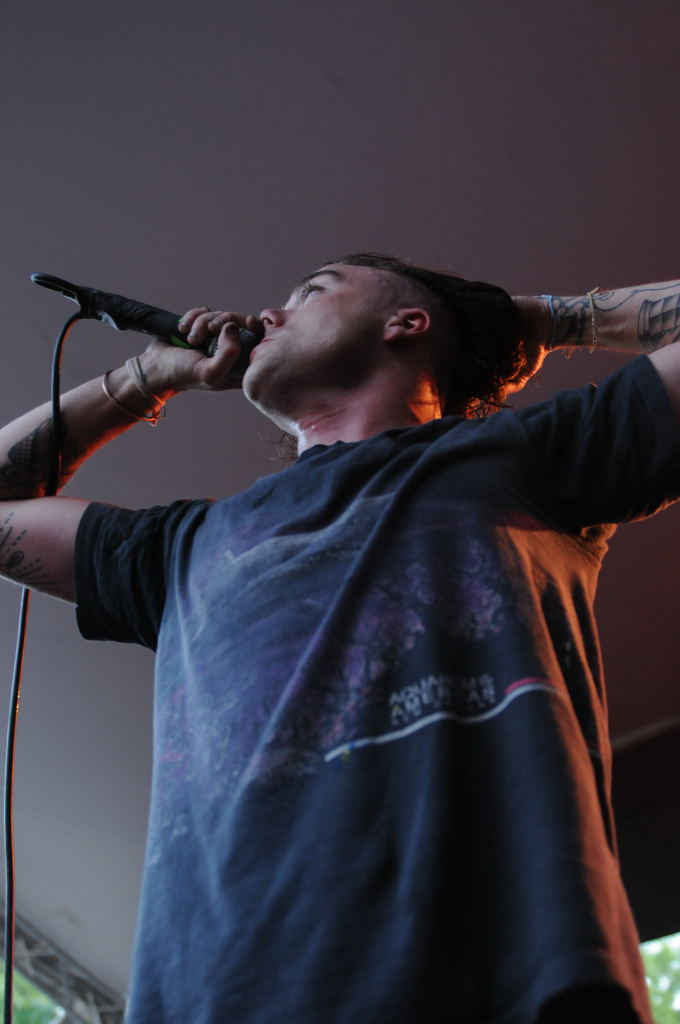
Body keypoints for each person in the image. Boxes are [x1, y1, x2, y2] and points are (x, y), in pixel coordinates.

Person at [2, 252, 679, 1024]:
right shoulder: (180, 548)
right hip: (213, 999)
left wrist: (533, 319)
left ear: (407, 323)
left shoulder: (517, 457)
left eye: (311, 293)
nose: (268, 315)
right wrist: (144, 378)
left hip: (498, 981)